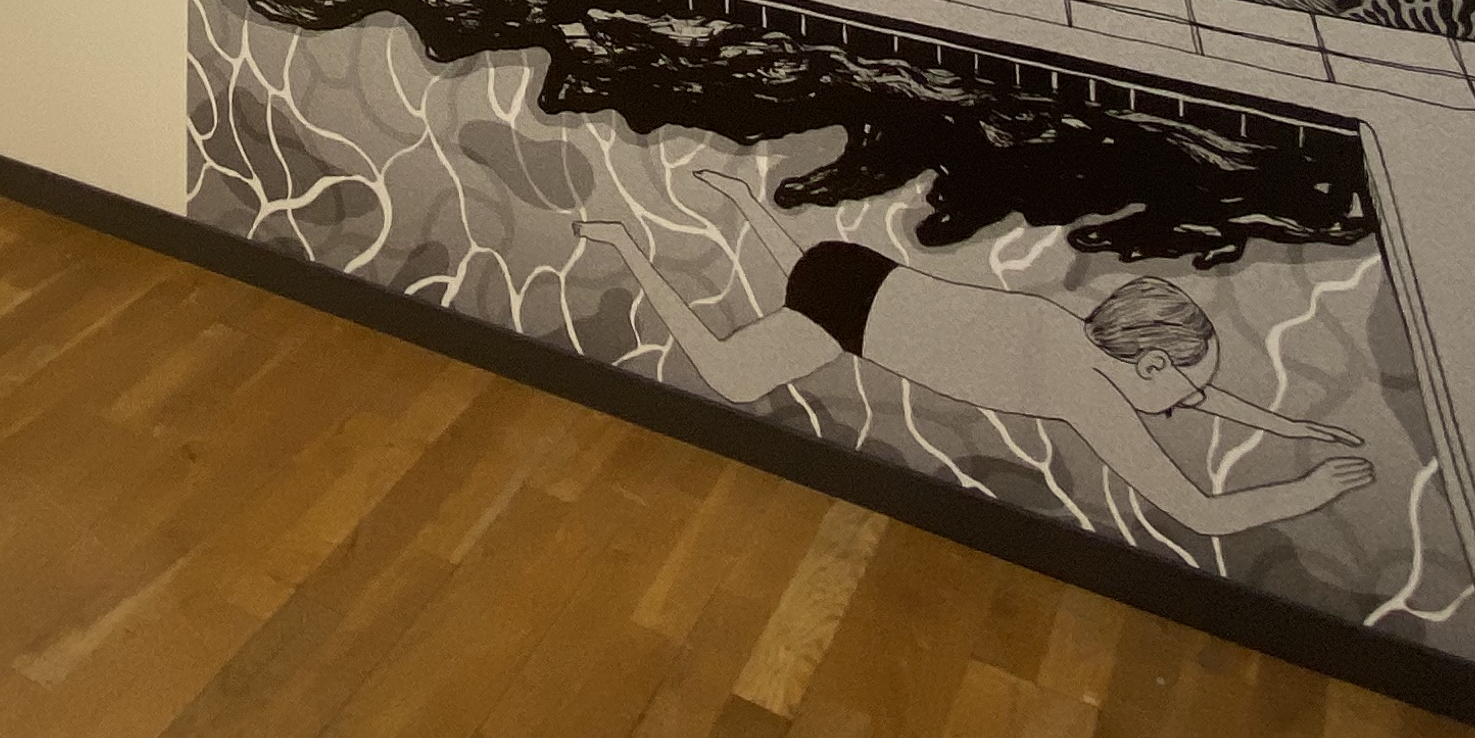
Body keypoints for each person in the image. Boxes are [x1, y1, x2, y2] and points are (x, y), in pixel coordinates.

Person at [579, 167, 1371, 538]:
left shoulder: (1090, 323)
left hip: (853, 271)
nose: (1191, 404)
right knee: (730, 375)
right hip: (847, 313)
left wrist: (1292, 428)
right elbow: (1202, 514)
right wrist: (1306, 490)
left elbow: (1194, 391)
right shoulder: (1088, 396)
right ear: (1151, 366)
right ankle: (628, 245)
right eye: (1186, 389)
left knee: (800, 281)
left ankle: (748, 203)